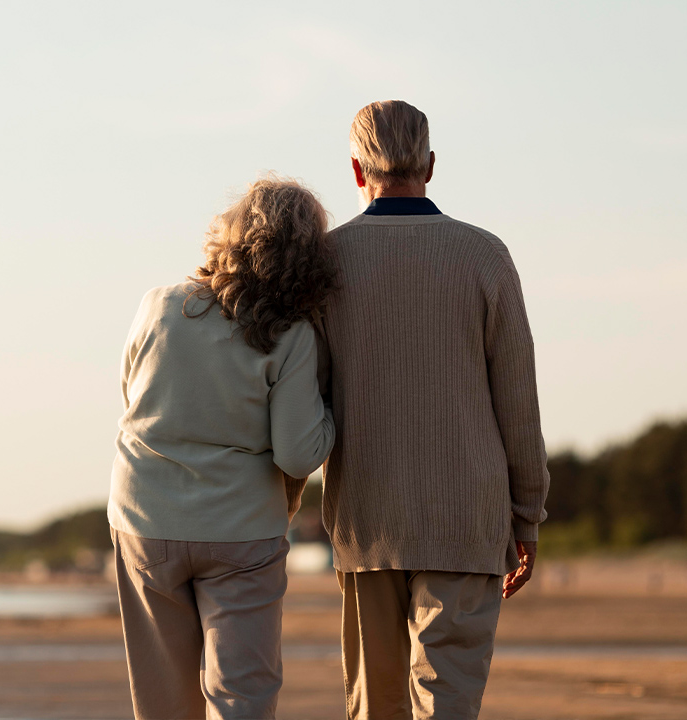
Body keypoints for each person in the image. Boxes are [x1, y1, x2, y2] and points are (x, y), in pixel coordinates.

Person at [321, 100, 551, 719]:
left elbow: (305, 400)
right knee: (449, 705)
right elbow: (518, 401)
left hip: (366, 519)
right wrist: (526, 515)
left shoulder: (327, 262)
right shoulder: (485, 255)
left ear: (355, 169)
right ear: (429, 163)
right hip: (466, 516)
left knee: (376, 707)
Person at [108, 176, 337, 719]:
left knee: (163, 700)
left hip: (146, 519)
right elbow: (298, 455)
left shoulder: (159, 305)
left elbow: (131, 393)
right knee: (242, 698)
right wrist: (332, 414)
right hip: (241, 530)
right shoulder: (292, 334)